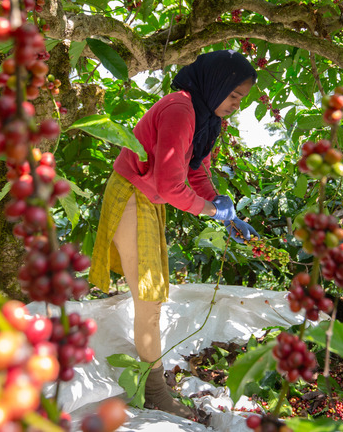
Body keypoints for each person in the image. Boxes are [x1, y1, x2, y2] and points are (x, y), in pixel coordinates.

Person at [88, 50, 259, 418]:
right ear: (217, 84)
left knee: (152, 296)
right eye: (234, 96)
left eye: (240, 100)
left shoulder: (204, 118)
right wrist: (212, 210)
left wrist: (222, 207)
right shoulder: (181, 110)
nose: (235, 105)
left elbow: (194, 172)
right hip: (135, 194)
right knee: (149, 301)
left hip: (148, 197)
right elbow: (169, 185)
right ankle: (154, 391)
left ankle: (153, 377)